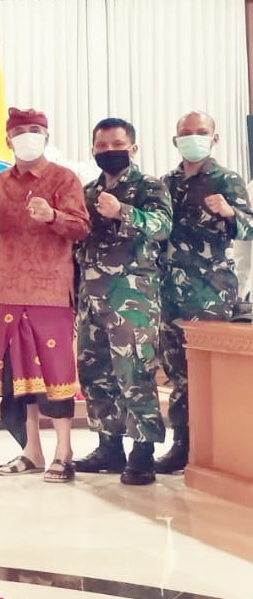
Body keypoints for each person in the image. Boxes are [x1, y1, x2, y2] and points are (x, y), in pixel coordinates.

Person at [0, 108, 90, 483]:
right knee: (20, 374)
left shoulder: (64, 179)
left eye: (35, 130)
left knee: (55, 370)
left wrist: (52, 216)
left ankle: (64, 451)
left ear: (47, 137)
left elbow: (81, 227)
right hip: (9, 290)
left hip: (49, 290)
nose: (28, 137)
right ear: (8, 139)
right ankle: (31, 450)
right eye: (20, 131)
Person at [71, 118, 170, 486]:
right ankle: (108, 446)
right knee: (95, 372)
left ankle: (143, 450)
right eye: (102, 145)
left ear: (133, 148)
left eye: (117, 144)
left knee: (134, 372)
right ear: (92, 150)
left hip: (132, 299)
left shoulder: (149, 187)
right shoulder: (87, 191)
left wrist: (122, 212)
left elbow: (162, 226)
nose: (109, 151)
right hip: (91, 298)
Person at [157, 111, 253, 474]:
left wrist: (230, 213)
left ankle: (216, 449)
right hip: (169, 292)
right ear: (175, 140)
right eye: (186, 133)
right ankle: (182, 446)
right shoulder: (165, 183)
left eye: (201, 132)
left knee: (210, 375)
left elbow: (250, 228)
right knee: (178, 374)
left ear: (214, 138)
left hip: (210, 292)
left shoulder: (226, 180)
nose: (193, 138)